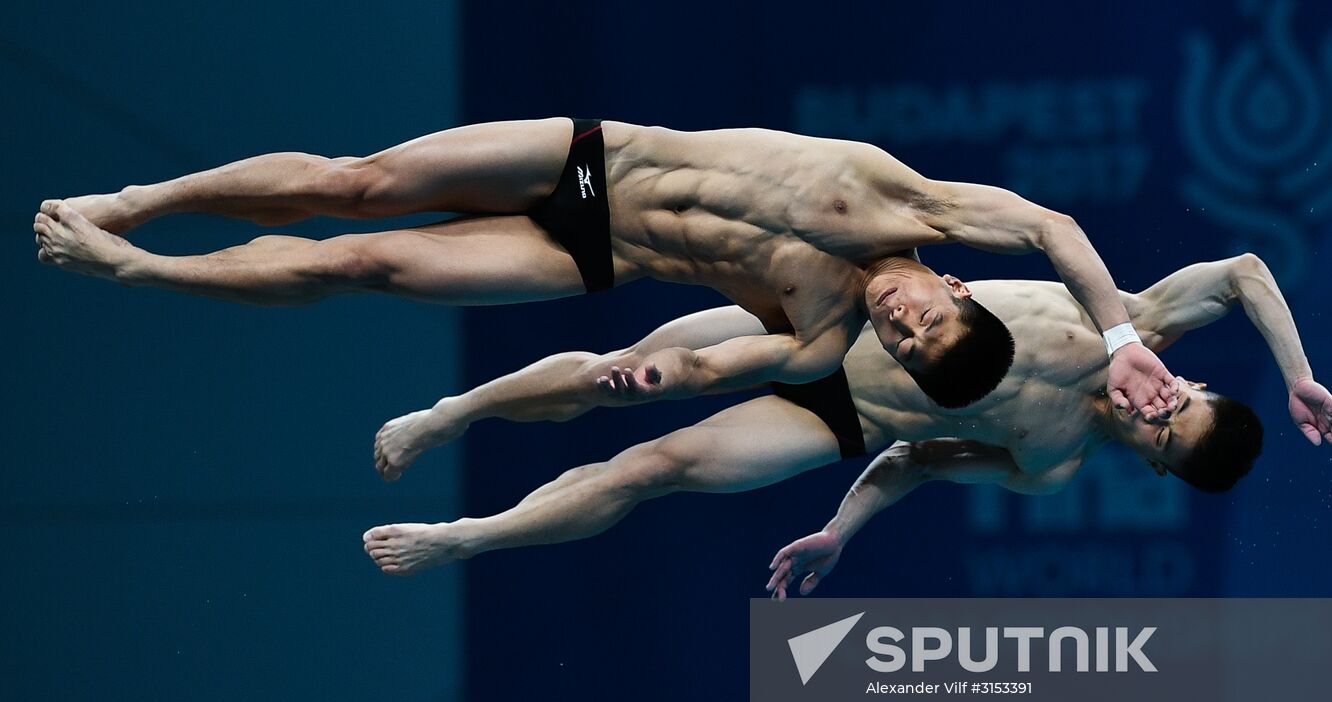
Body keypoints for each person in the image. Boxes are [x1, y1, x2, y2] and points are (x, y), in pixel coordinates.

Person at [33, 117, 1176, 418]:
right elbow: (1052, 228)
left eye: (903, 343)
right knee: (359, 185)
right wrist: (1119, 340)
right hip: (592, 157)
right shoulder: (902, 201)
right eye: (924, 315)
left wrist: (663, 380)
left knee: (368, 264)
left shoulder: (829, 335)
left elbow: (726, 362)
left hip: (596, 253)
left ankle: (138, 274)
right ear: (954, 281)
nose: (897, 319)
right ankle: (135, 204)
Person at [361, 253, 1332, 578]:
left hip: (833, 424)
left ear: (1149, 463)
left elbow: (917, 464)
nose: (1154, 408)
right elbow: (1240, 272)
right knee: (619, 374)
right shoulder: (1130, 322)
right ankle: (452, 413)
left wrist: (841, 528)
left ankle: (467, 537)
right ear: (1188, 379)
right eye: (1178, 399)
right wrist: (1296, 372)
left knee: (648, 468)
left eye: (1159, 432)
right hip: (828, 334)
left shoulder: (1049, 462)